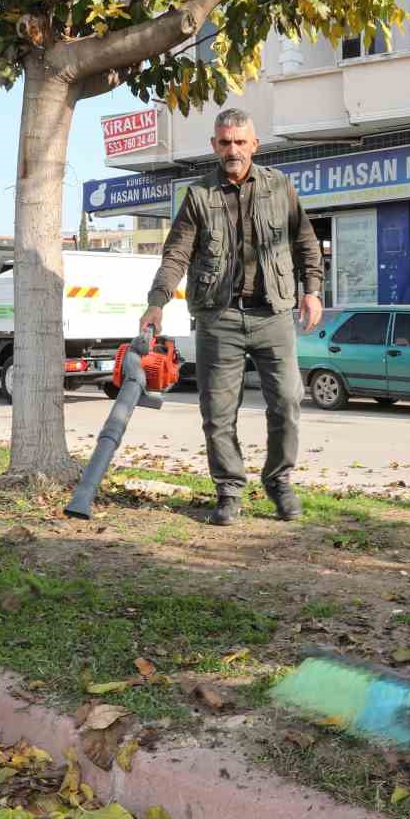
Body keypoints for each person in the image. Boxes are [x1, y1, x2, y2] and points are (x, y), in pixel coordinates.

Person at [141, 108, 323, 526]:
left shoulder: (280, 188)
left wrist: (311, 291)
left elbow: (306, 243)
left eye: (241, 142)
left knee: (288, 402)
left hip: (272, 315)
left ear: (254, 145)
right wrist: (157, 301)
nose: (233, 150)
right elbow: (177, 254)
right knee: (218, 412)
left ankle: (279, 482)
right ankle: (228, 490)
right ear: (214, 146)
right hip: (218, 318)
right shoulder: (199, 195)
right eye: (225, 143)